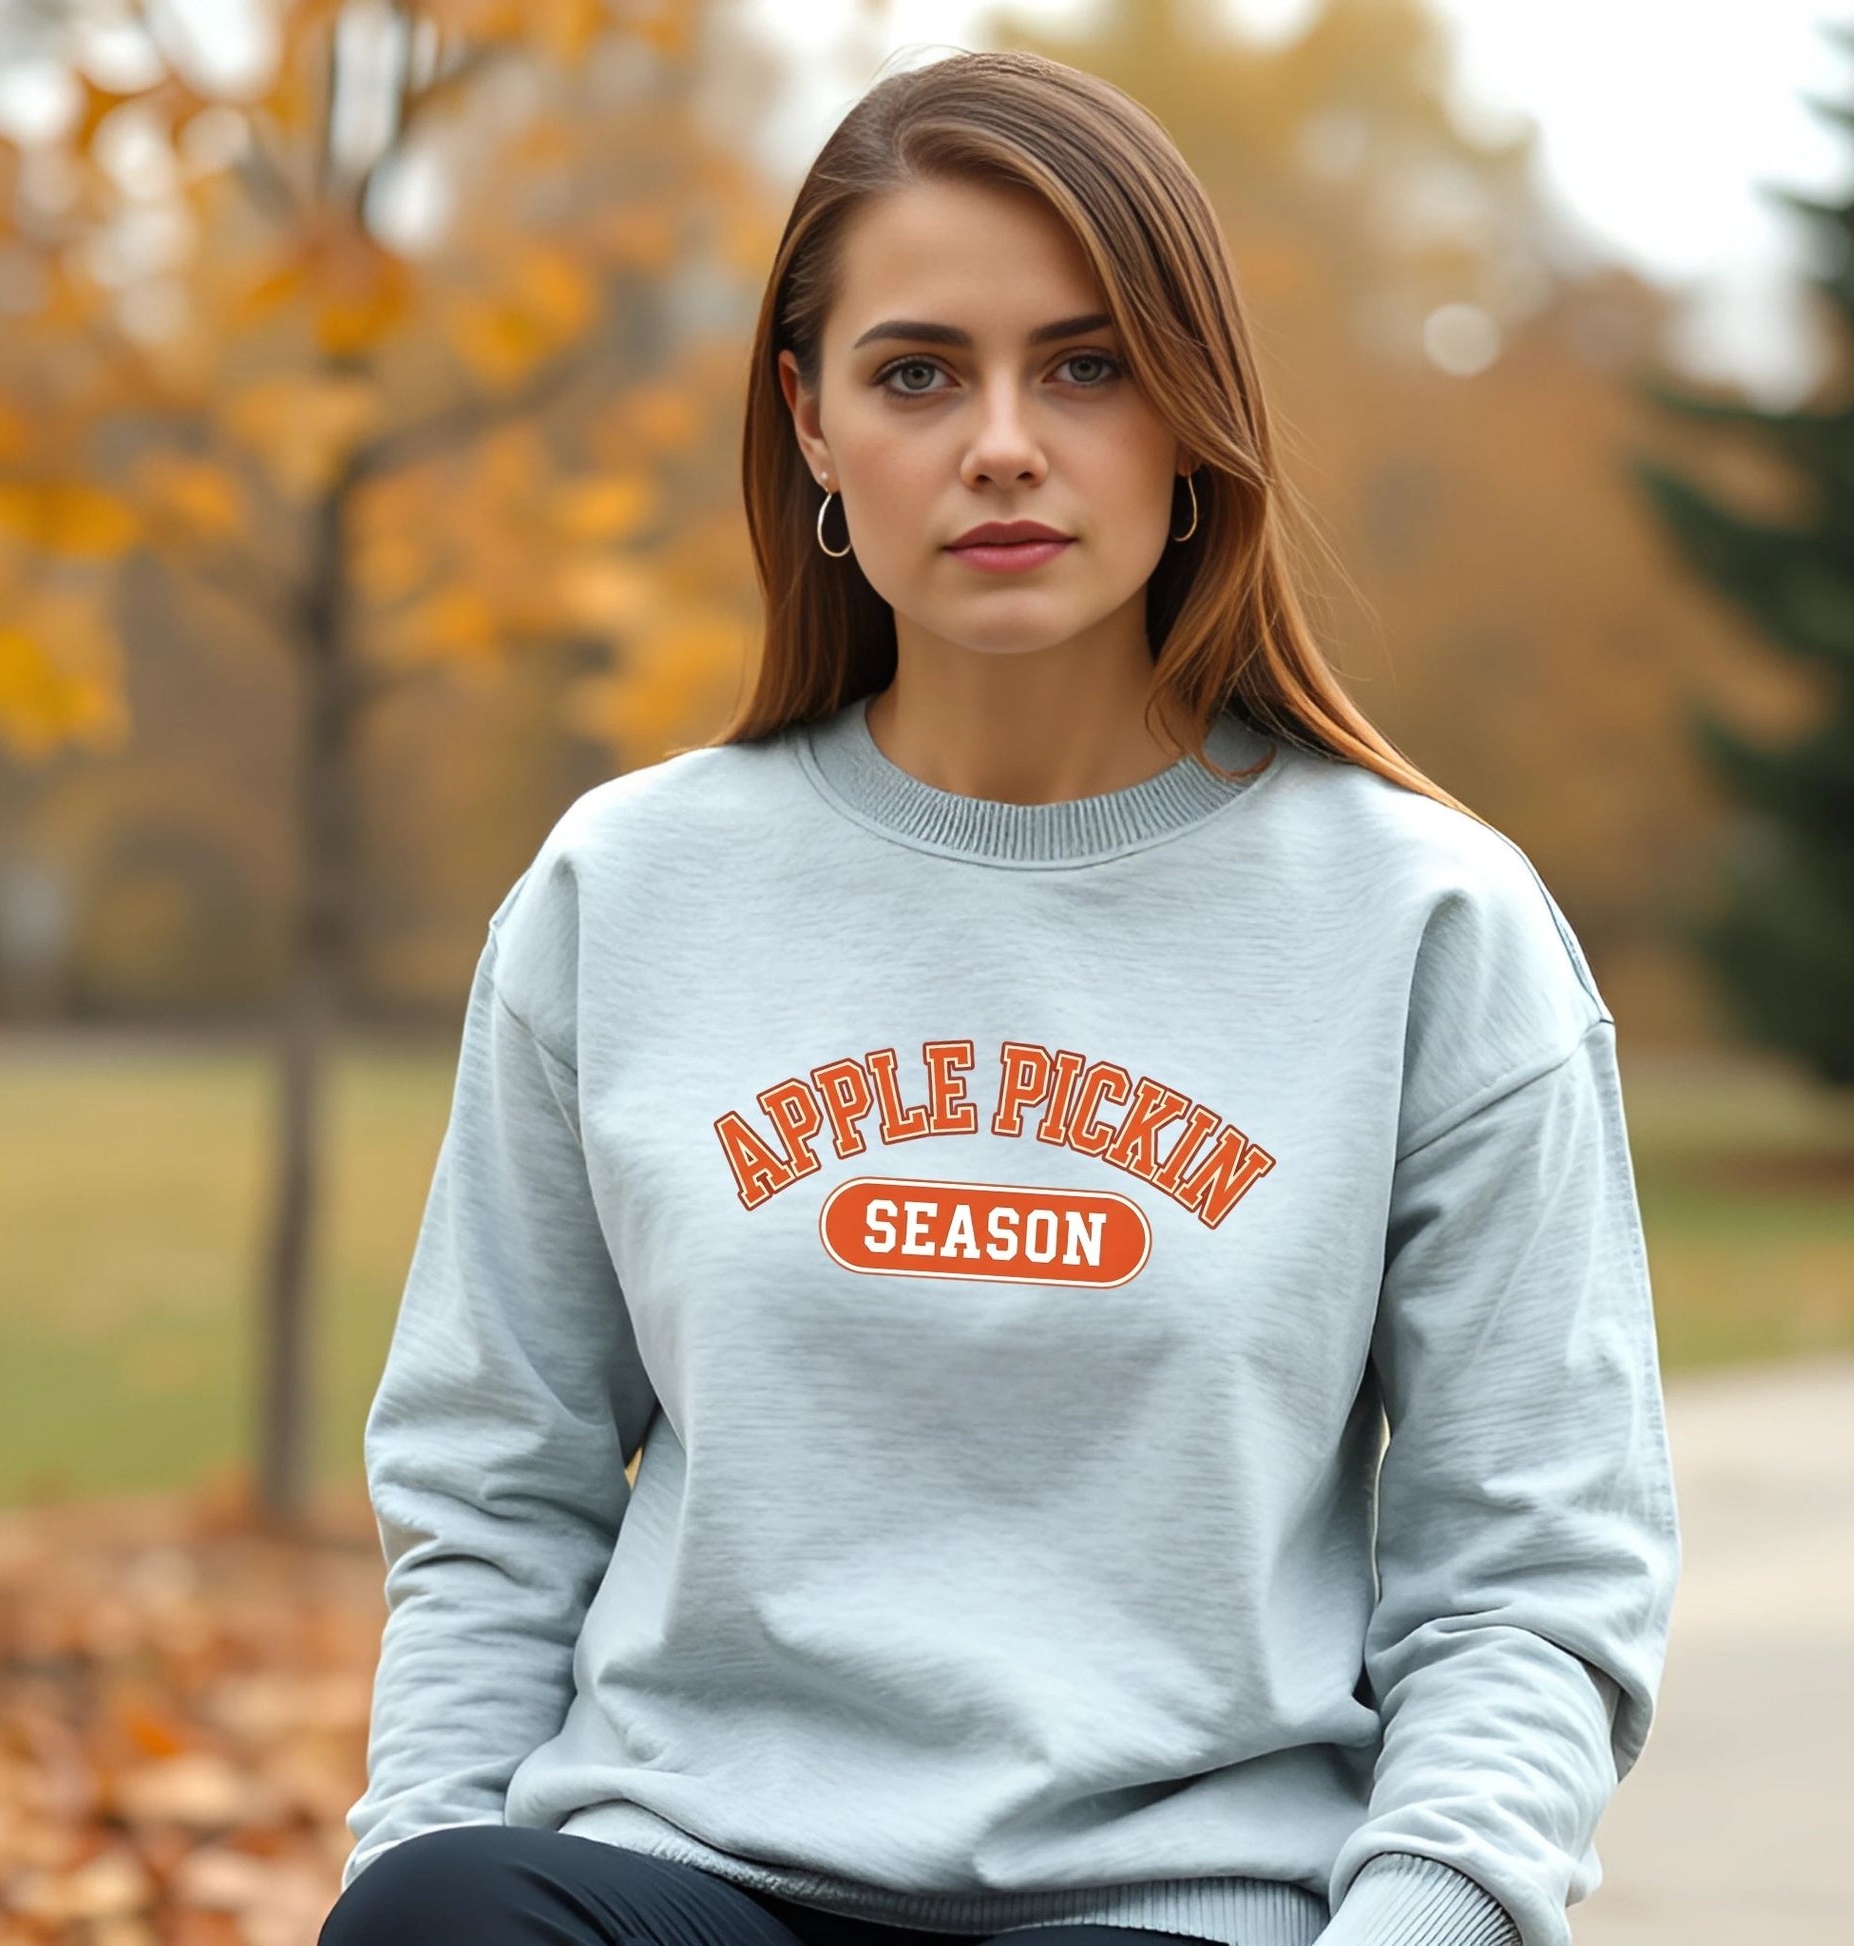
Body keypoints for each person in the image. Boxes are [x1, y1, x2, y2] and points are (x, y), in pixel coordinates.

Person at [320, 44, 1680, 1946]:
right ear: (807, 422)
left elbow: (1533, 1571)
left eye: (1086, 363)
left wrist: (1420, 1915)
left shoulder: (1426, 922)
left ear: (1191, 412)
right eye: (915, 372)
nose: (1003, 444)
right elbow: (496, 1493)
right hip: (683, 1875)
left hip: (1180, 1904)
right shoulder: (624, 893)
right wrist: (413, 1859)